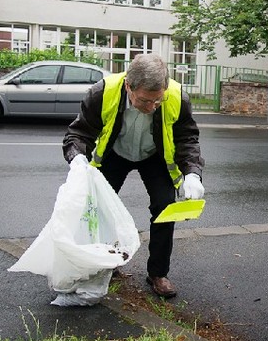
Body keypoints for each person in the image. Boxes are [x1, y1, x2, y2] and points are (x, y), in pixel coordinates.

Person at [62, 53, 205, 299]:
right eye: (144, 101)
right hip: (115, 153)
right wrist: (76, 159)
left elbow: (187, 138)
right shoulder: (101, 93)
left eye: (157, 101)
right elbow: (79, 134)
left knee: (164, 207)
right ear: (129, 86)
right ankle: (107, 262)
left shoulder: (177, 96)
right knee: (101, 208)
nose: (152, 107)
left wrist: (192, 173)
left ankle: (158, 273)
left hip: (154, 156)